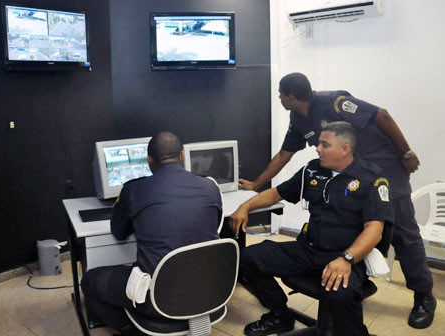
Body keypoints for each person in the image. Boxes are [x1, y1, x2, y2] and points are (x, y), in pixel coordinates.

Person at [239, 73, 436, 329]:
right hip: (343, 175)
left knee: (403, 236)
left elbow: (383, 116)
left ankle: (423, 296)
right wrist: (257, 184)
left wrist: (406, 153)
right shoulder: (298, 118)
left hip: (383, 169)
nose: (278, 98)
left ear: (290, 95)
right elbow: (284, 154)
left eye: (280, 94)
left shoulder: (336, 103)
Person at [231, 122, 393, 336]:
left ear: (345, 149)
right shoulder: (312, 169)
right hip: (310, 249)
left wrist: (346, 259)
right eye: (318, 143)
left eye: (325, 145)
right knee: (248, 258)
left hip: (346, 256)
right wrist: (245, 206)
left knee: (341, 293)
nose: (317, 148)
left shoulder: (371, 178)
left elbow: (374, 230)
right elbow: (277, 193)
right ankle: (280, 314)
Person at [81, 132, 222, 333]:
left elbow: (119, 231)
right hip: (208, 293)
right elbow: (212, 227)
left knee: (90, 280)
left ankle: (129, 328)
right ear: (181, 156)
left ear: (149, 161)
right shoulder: (210, 187)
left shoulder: (134, 189)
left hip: (157, 301)